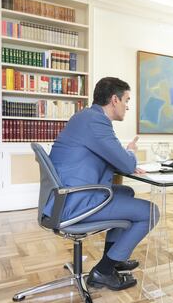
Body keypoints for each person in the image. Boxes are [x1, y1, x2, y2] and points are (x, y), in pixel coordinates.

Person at [43, 77, 159, 291]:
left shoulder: (86, 117)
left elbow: (111, 159)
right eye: (126, 100)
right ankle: (104, 271)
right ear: (114, 99)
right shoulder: (96, 122)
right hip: (74, 202)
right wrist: (130, 152)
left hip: (65, 196)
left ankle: (114, 258)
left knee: (125, 191)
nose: (127, 105)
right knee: (151, 212)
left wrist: (124, 159)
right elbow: (124, 163)